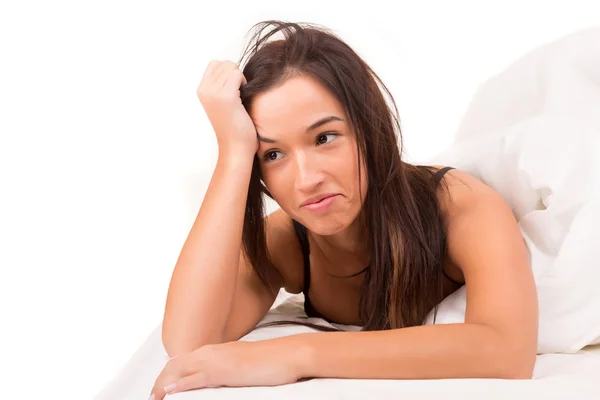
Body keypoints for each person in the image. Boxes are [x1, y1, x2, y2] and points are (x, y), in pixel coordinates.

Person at [148, 20, 538, 400]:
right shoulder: (288, 240)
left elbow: (508, 350)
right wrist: (233, 153)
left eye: (325, 137)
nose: (306, 179)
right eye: (273, 153)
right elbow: (188, 341)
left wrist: (296, 355)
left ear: (369, 129)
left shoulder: (459, 206)